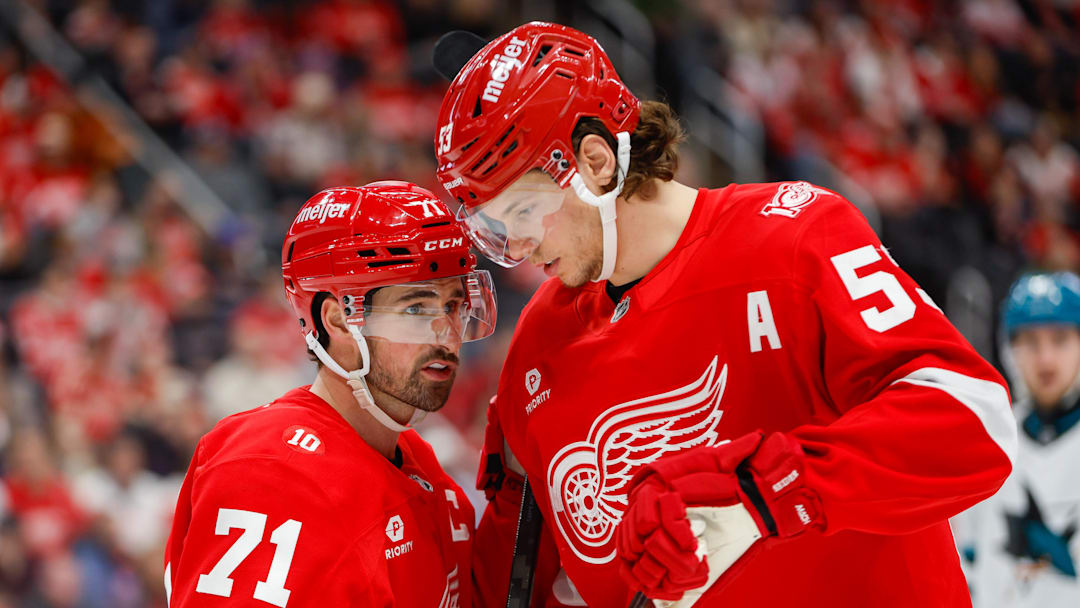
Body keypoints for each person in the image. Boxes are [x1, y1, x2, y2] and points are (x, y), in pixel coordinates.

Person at [433, 22, 1017, 607]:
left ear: (594, 161)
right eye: (495, 231)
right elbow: (528, 579)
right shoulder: (541, 340)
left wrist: (770, 492)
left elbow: (974, 422)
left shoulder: (796, 239)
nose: (520, 248)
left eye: (526, 211)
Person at [163, 181, 497, 607]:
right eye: (416, 308)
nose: (447, 337)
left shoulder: (425, 469)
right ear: (337, 321)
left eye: (453, 305)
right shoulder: (270, 472)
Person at [954, 273, 1080, 607]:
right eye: (1030, 342)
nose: (1045, 360)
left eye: (1060, 339)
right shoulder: (984, 440)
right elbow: (963, 564)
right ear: (1009, 348)